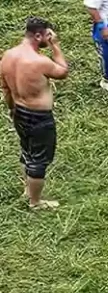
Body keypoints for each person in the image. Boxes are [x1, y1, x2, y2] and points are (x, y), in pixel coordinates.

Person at [1, 17, 69, 210]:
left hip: (19, 111)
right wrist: (55, 46)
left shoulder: (8, 55)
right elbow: (63, 72)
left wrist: (12, 109)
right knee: (39, 159)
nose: (48, 39)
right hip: (39, 117)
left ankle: (28, 190)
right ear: (38, 35)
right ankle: (35, 202)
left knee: (27, 151)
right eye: (47, 36)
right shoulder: (39, 61)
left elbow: (5, 88)